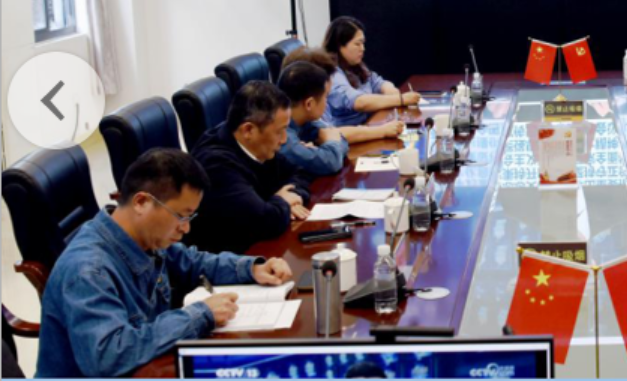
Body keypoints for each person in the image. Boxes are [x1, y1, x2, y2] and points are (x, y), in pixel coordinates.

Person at [36, 149, 294, 378]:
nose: (186, 228)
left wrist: (251, 268)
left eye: (190, 217)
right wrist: (200, 315)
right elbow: (109, 357)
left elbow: (192, 262)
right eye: (180, 216)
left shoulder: (143, 237)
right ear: (141, 202)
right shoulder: (89, 271)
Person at [186, 81, 313, 254]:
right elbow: (264, 221)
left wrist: (293, 196)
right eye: (279, 131)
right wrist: (281, 201)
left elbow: (301, 170)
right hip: (228, 259)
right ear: (248, 130)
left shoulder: (257, 145)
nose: (284, 140)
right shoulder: (215, 165)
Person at [282, 47, 405, 145]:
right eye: (325, 96)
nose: (362, 48)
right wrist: (381, 131)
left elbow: (334, 134)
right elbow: (334, 141)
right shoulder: (286, 134)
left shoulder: (310, 118)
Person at [323, 16, 420, 127]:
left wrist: (391, 91)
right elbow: (359, 102)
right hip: (350, 134)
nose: (363, 48)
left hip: (368, 126)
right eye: (357, 44)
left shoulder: (355, 66)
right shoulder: (332, 73)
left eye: (363, 43)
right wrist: (400, 99)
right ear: (339, 46)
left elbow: (377, 82)